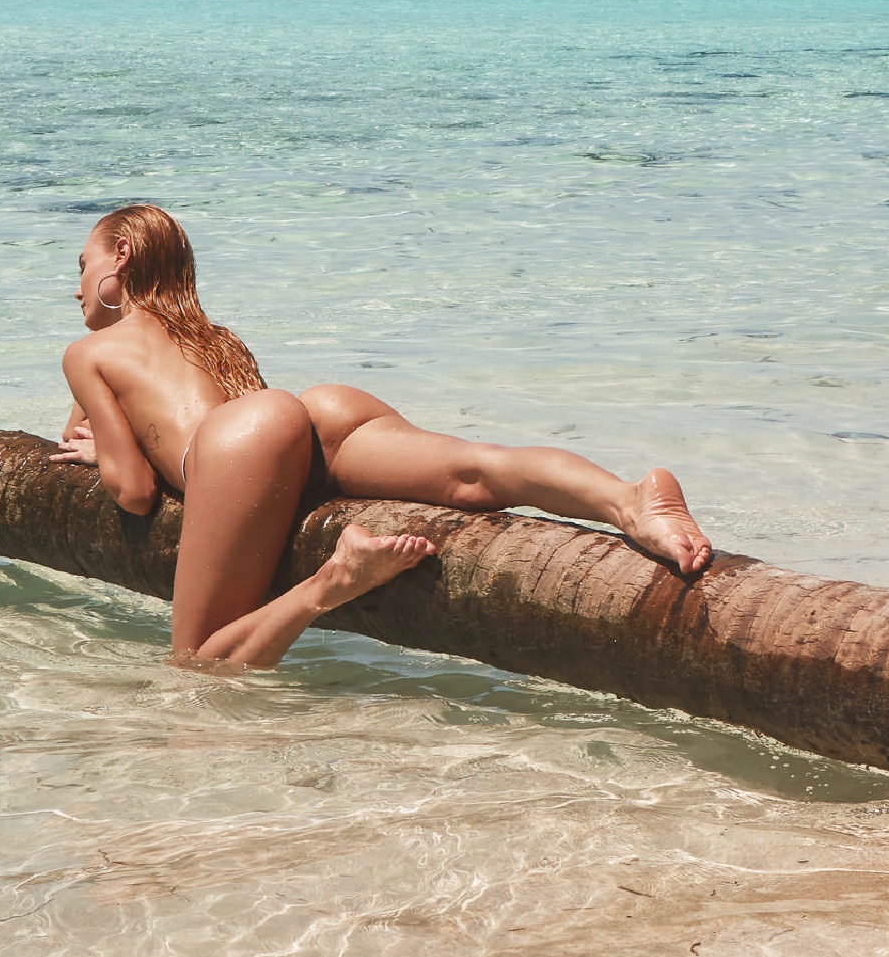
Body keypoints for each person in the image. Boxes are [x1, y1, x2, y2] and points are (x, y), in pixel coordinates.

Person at [52, 204, 711, 664]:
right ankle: (630, 500)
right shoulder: (213, 335)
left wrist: (107, 453)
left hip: (237, 444)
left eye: (82, 265)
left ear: (121, 257)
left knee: (200, 660)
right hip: (312, 414)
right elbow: (260, 430)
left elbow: (134, 491)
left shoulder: (89, 352)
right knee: (474, 472)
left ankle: (334, 580)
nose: (75, 289)